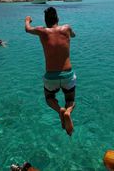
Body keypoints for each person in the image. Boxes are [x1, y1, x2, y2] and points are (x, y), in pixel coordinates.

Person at [25, 7, 76, 136]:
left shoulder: (42, 31)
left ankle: (60, 110)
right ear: (57, 19)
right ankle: (68, 111)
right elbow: (74, 35)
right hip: (68, 74)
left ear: (45, 20)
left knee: (49, 98)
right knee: (70, 98)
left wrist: (27, 20)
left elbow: (27, 29)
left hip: (51, 77)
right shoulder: (67, 28)